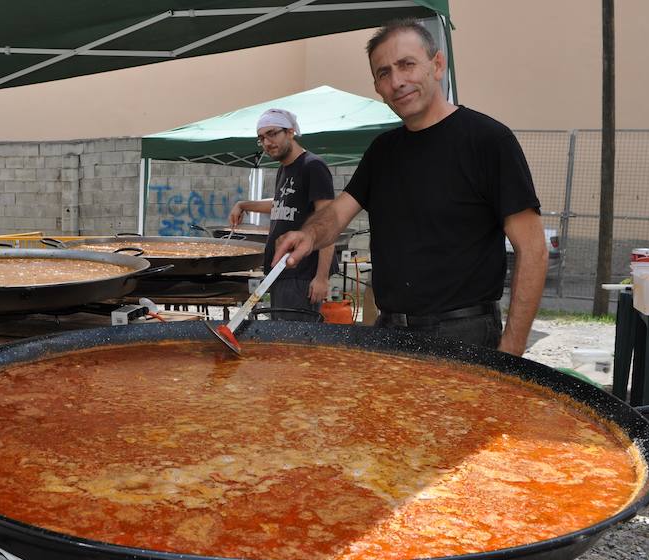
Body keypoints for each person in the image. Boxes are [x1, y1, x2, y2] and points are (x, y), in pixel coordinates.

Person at [273, 19, 548, 354]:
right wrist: (309, 235)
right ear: (376, 86)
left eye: (407, 65)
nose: (397, 81)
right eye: (384, 73)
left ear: (437, 64)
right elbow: (337, 213)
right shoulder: (383, 150)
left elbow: (533, 250)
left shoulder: (489, 141)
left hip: (464, 334)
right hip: (390, 331)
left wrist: (511, 351)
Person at [228, 109, 336, 320]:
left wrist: (321, 278)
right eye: (261, 138)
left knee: (293, 343)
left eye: (272, 133)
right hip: (280, 271)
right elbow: (281, 203)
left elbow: (328, 222)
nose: (267, 142)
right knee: (281, 341)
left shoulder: (313, 166)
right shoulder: (285, 169)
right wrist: (244, 204)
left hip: (302, 274)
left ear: (290, 132)